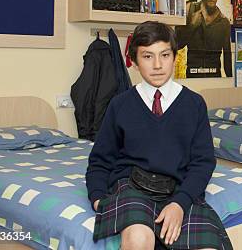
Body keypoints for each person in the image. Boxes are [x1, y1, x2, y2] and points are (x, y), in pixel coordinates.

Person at [86, 21, 232, 250]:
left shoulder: (194, 104)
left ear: (175, 57)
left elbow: (203, 162)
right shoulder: (120, 104)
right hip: (131, 186)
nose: (157, 65)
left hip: (179, 188)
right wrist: (97, 197)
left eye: (164, 55)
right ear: (134, 62)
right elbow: (100, 160)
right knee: (138, 238)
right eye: (147, 56)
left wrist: (180, 204)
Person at [176, 0, 232, 78]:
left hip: (214, 80)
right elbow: (177, 45)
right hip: (192, 80)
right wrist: (192, 26)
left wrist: (231, 86)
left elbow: (227, 59)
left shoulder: (224, 22)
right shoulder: (190, 9)